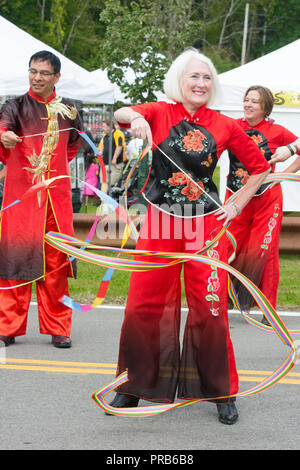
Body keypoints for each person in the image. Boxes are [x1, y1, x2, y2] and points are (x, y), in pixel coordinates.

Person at [110, 48, 270, 425]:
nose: (201, 83)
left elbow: (259, 168)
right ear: (179, 80)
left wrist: (234, 206)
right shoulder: (159, 112)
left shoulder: (225, 124)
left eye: (207, 77)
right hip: (161, 221)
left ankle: (221, 391)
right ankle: (134, 385)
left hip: (204, 225)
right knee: (142, 304)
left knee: (211, 308)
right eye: (194, 76)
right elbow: (120, 112)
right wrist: (135, 118)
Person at [0, 50, 82, 348]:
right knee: (15, 262)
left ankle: (59, 327)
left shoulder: (69, 110)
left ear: (56, 77)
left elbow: (72, 145)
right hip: (22, 199)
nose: (37, 77)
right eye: (33, 71)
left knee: (56, 264)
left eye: (44, 73)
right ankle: (7, 327)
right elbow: (3, 129)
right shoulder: (15, 106)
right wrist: (4, 138)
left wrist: (52, 166)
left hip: (55, 202)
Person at [225, 86, 300, 323]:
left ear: (265, 107)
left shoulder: (276, 131)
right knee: (225, 247)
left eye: (254, 101)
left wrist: (283, 174)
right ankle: (222, 297)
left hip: (267, 200)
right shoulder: (231, 126)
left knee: (264, 251)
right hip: (236, 198)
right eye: (246, 99)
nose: (248, 104)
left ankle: (270, 309)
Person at [98, 119, 125, 188]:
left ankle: (111, 197)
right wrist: (100, 153)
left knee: (112, 185)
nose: (102, 128)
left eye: (104, 126)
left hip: (115, 165)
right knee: (104, 184)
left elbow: (119, 146)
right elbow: (103, 147)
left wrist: (114, 158)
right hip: (105, 164)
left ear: (109, 127)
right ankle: (103, 198)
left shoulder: (118, 134)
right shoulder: (105, 136)